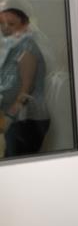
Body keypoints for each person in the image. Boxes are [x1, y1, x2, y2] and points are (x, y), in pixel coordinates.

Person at [0, 8, 49, 157]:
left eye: (11, 24)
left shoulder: (27, 48)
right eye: (2, 24)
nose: (5, 28)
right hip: (17, 119)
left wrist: (9, 117)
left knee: (18, 166)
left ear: (25, 25)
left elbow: (26, 89)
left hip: (26, 120)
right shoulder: (13, 47)